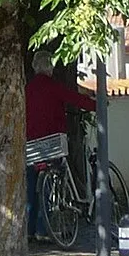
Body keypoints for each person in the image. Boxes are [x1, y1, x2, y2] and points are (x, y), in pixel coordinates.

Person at [24, 56, 94, 234]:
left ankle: (30, 230)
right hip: (52, 142)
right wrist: (96, 105)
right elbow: (74, 98)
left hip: (30, 144)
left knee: (31, 187)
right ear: (50, 69)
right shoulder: (53, 86)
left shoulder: (27, 89)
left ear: (34, 68)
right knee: (54, 178)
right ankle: (44, 228)